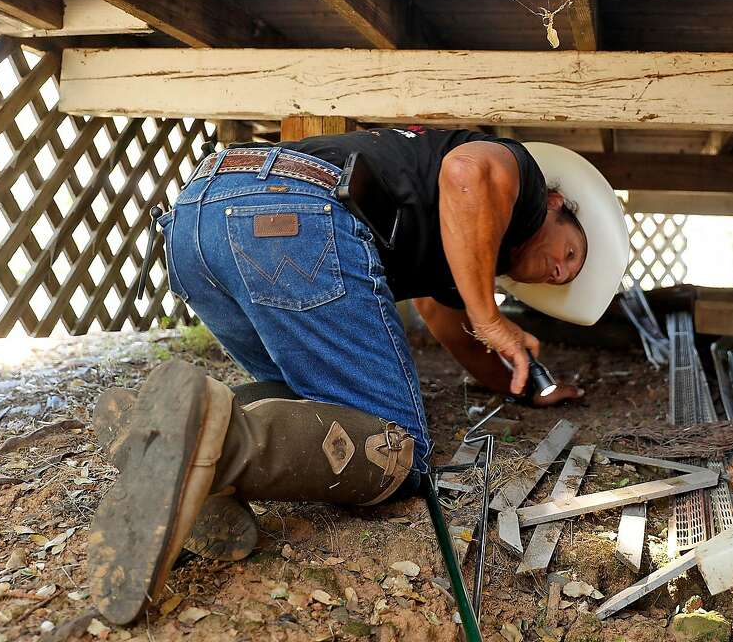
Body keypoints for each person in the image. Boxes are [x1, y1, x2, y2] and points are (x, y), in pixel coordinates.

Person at [87, 127, 629, 623]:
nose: (559, 271)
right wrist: (490, 316)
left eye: (564, 278)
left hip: (195, 221)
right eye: (571, 252)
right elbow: (468, 173)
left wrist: (521, 385)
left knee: (319, 407)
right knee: (399, 449)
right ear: (556, 204)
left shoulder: (468, 250)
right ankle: (220, 451)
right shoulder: (523, 179)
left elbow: (445, 320)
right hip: (289, 219)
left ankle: (172, 439)